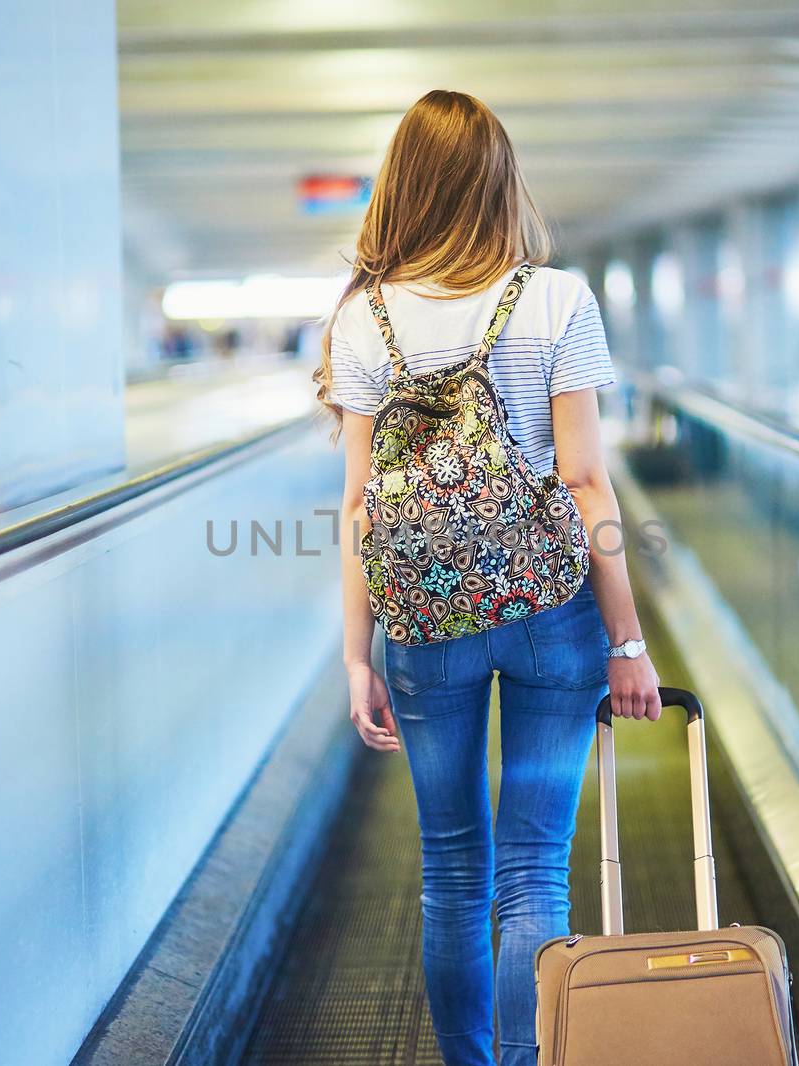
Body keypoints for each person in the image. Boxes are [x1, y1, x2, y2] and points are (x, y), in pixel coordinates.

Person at [313, 89, 663, 1066]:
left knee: (452, 869)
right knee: (533, 871)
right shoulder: (556, 301)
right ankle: (527, 1059)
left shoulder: (362, 322)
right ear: (501, 183)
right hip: (553, 610)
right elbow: (587, 479)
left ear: (401, 190)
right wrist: (627, 641)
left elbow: (357, 508)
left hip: (425, 626)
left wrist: (355, 658)